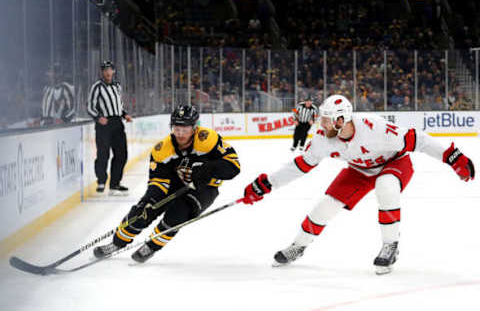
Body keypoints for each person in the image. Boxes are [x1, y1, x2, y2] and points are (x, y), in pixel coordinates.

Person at [242, 94, 474, 275]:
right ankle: (298, 246)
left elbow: (419, 140)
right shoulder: (323, 139)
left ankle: (390, 246)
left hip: (394, 162)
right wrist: (267, 184)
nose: (320, 124)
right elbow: (300, 166)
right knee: (325, 206)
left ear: (341, 119)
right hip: (359, 170)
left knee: (386, 186)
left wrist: (453, 157)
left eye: (325, 119)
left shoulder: (374, 128)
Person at [93, 105, 241, 263]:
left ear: (195, 128)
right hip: (175, 183)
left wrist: (209, 170)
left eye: (185, 130)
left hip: (204, 189)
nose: (181, 134)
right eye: (177, 129)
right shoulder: (162, 150)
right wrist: (150, 200)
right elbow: (159, 181)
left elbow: (234, 166)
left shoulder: (208, 140)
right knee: (143, 210)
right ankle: (116, 243)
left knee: (178, 213)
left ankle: (151, 245)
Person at [87, 60, 133, 195]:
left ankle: (115, 184)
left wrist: (125, 115)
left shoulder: (117, 86)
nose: (107, 72)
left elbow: (120, 105)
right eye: (105, 69)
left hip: (117, 123)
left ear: (113, 71)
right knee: (103, 154)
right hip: (104, 124)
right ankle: (101, 181)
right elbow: (90, 106)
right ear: (102, 72)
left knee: (121, 154)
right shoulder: (97, 87)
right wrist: (98, 117)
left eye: (109, 69)